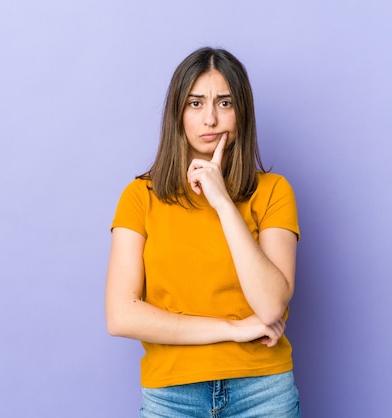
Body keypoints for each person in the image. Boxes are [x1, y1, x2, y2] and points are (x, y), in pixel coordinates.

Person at [105, 47, 301, 417]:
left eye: (224, 103)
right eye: (196, 103)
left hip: (262, 392)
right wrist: (233, 329)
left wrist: (223, 202)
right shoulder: (139, 197)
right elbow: (121, 315)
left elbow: (271, 304)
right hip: (171, 397)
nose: (210, 118)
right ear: (177, 113)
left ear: (242, 112)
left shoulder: (274, 191)